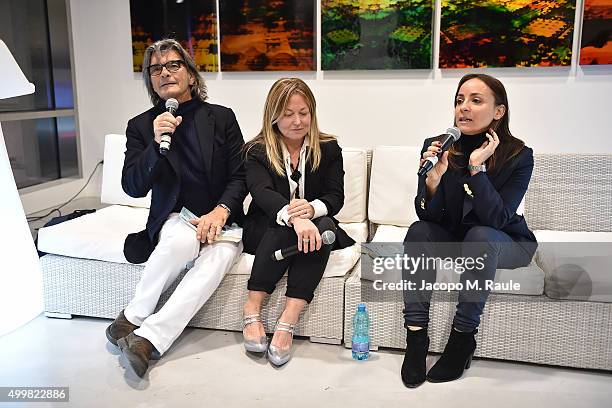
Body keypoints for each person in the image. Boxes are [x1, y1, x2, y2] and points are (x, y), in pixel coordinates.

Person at [105, 39, 247, 378]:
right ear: (151, 81)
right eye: (155, 69)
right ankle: (136, 318)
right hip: (176, 218)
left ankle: (146, 339)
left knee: (218, 259)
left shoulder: (222, 118)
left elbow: (241, 175)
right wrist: (155, 146)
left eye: (173, 65)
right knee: (181, 242)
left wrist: (221, 211)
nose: (164, 72)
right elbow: (133, 187)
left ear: (191, 75)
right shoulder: (141, 126)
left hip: (222, 219)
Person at [401, 73, 537, 387]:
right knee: (419, 230)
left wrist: (477, 168)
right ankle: (416, 338)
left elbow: (496, 219)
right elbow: (428, 215)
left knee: (479, 236)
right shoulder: (439, 147)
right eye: (460, 100)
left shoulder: (519, 155)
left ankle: (462, 339)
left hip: (505, 240)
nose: (464, 108)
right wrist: (432, 182)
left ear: (498, 111)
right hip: (459, 239)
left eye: (476, 100)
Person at [240, 78, 355, 366]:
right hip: (266, 227)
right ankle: (252, 306)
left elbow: (334, 197)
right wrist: (294, 218)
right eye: (288, 114)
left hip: (315, 226)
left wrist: (309, 213)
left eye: (304, 113)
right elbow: (262, 194)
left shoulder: (328, 148)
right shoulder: (255, 150)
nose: (297, 121)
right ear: (274, 115)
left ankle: (287, 321)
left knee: (325, 226)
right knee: (290, 227)